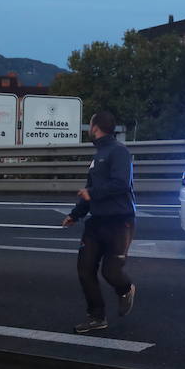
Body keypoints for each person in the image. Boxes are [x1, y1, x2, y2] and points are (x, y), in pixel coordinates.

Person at [61, 111, 136, 333]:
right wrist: (75, 215)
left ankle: (125, 289)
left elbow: (121, 184)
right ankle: (96, 316)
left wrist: (92, 193)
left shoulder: (119, 152)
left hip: (119, 222)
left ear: (95, 127)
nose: (89, 128)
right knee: (85, 270)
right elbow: (88, 190)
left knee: (111, 273)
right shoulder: (98, 154)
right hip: (96, 222)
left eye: (90, 124)